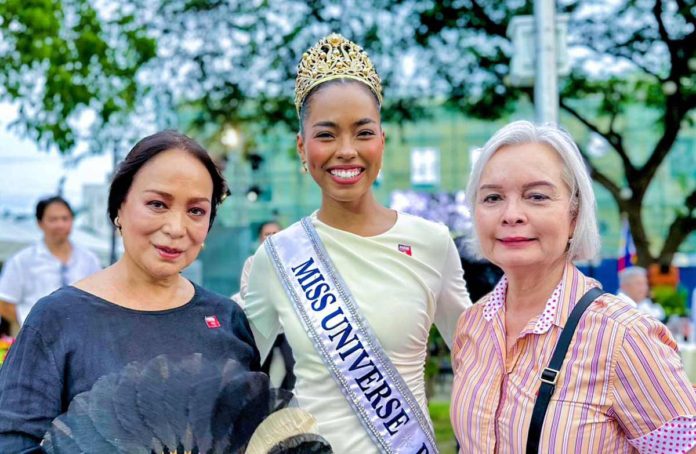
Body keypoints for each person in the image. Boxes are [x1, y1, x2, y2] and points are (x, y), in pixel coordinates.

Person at [244, 33, 472, 453]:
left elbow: (477, 362)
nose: (346, 151)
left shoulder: (432, 243)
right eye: (326, 135)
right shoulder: (277, 257)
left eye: (362, 133)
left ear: (381, 142)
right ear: (302, 147)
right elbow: (232, 371)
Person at [0, 130, 261, 453]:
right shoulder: (58, 319)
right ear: (119, 208)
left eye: (196, 211)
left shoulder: (227, 318)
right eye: (157, 204)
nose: (176, 228)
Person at [450, 121, 696, 453]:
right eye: (492, 197)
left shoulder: (623, 336)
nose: (511, 214)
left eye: (536, 196)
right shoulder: (473, 326)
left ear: (574, 215)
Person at [0, 196, 101, 328]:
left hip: (81, 335)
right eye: (53, 219)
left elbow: (100, 299)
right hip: (35, 337)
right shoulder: (21, 261)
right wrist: (33, 324)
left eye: (65, 218)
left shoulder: (89, 259)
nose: (60, 224)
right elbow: (5, 302)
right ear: (40, 223)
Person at [233, 220, 296, 391]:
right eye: (267, 234)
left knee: (292, 369)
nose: (271, 237)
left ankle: (282, 403)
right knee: (260, 370)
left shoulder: (293, 263)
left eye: (275, 234)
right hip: (262, 324)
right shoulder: (252, 262)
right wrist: (269, 295)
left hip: (286, 326)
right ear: (260, 239)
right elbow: (245, 290)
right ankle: (261, 407)